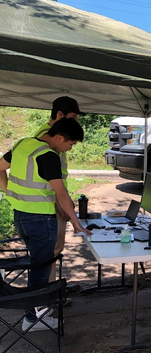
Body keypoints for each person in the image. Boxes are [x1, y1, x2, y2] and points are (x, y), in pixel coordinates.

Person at [0, 118, 92, 331]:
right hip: (41, 219)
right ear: (59, 138)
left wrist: (10, 194)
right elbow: (60, 193)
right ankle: (33, 319)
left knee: (37, 264)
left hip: (21, 216)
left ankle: (35, 313)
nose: (69, 148)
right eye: (71, 144)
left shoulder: (23, 145)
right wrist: (77, 223)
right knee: (41, 268)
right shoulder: (48, 156)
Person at [34, 97, 86, 282]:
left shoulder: (54, 135)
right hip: (49, 201)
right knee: (51, 251)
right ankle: (47, 299)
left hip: (53, 198)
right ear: (59, 114)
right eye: (73, 118)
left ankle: (51, 293)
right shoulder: (47, 139)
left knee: (54, 250)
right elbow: (51, 179)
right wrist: (64, 205)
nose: (75, 123)